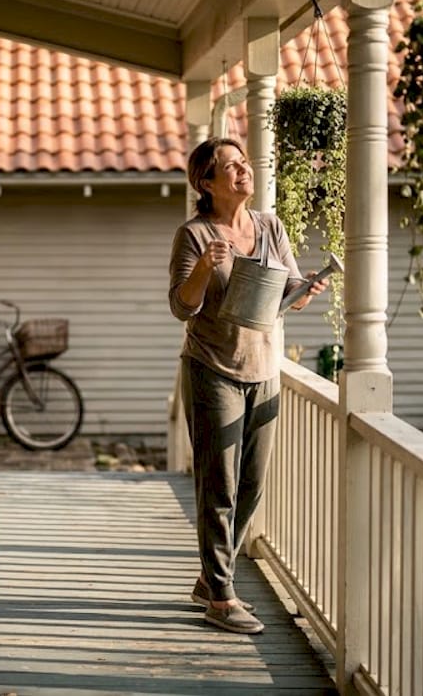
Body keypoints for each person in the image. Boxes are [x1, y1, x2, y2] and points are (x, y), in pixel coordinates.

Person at [168, 137, 327, 634]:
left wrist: (308, 290)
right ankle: (221, 598)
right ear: (207, 182)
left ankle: (210, 580)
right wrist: (204, 267)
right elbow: (181, 305)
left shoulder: (268, 226)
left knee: (252, 487)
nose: (244, 171)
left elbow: (288, 294)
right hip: (213, 368)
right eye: (231, 167)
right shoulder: (193, 234)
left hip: (264, 370)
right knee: (219, 488)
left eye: (244, 163)